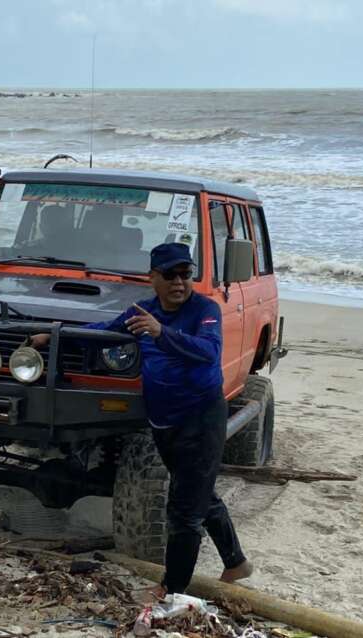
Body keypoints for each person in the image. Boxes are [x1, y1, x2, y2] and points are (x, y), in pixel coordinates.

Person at [30, 242, 252, 594]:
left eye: (186, 274)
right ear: (153, 278)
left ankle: (172, 589)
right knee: (199, 494)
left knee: (184, 512)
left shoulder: (204, 310)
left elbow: (208, 352)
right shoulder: (142, 311)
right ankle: (236, 562)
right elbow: (105, 331)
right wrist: (54, 336)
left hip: (201, 418)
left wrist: (161, 332)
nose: (180, 283)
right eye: (170, 275)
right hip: (164, 422)